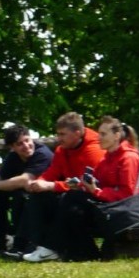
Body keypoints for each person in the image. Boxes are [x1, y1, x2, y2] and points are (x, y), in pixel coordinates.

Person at [60, 116, 139, 261]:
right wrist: (81, 185)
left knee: (73, 200)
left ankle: (87, 252)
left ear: (116, 136)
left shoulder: (129, 158)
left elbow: (127, 195)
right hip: (113, 207)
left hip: (129, 211)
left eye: (103, 134)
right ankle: (81, 251)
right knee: (71, 198)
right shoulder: (106, 159)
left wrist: (96, 191)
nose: (98, 138)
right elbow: (98, 182)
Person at [20, 112, 105, 262]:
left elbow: (83, 183)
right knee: (37, 197)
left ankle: (50, 248)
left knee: (69, 199)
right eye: (58, 134)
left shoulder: (94, 151)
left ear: (77, 133)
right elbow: (52, 172)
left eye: (62, 134)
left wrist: (53, 185)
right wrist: (38, 183)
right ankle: (35, 246)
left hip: (96, 200)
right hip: (73, 197)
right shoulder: (62, 150)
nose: (58, 138)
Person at [0, 125, 54, 257]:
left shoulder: (42, 154)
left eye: (27, 140)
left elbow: (24, 180)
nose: (26, 146)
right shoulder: (13, 157)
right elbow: (1, 177)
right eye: (20, 144)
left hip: (48, 198)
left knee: (21, 196)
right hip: (30, 193)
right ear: (12, 147)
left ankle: (23, 244)